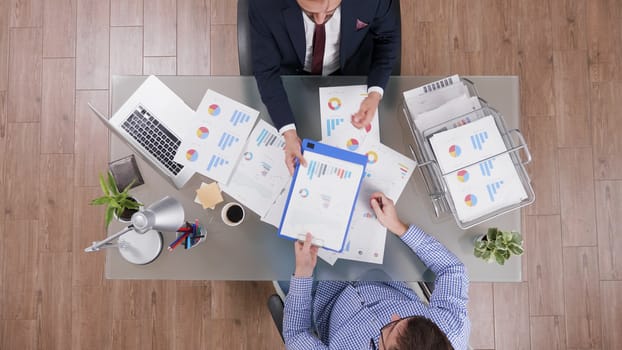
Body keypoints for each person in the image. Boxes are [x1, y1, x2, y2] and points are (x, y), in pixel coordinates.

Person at [283, 192, 470, 349]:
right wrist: (399, 226)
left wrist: (302, 273)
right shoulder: (449, 330)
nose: (395, 315)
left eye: (390, 328)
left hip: (323, 298)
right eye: (410, 318)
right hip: (377, 272)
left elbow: (296, 335)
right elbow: (452, 270)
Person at [249, 0, 401, 174]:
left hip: (351, 70)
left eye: (329, 13)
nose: (320, 20)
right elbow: (266, 71)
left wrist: (375, 93)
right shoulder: (263, 4)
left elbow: (387, 38)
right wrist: (288, 132)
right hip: (292, 75)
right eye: (309, 14)